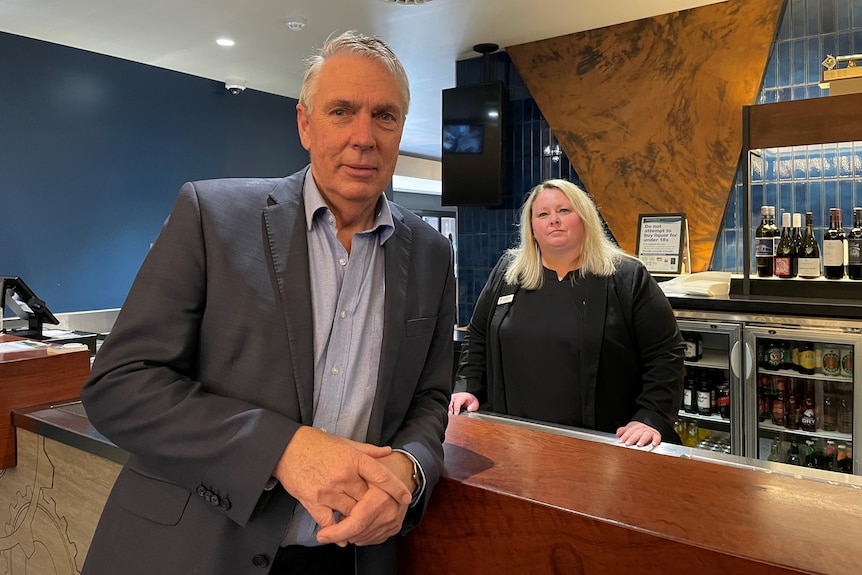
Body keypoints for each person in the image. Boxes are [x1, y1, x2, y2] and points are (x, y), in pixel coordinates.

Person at [80, 30, 455, 575]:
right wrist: (280, 449)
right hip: (196, 550)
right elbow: (120, 385)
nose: (363, 137)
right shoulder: (212, 216)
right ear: (305, 123)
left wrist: (411, 468)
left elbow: (430, 397)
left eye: (385, 116)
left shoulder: (430, 253)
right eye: (341, 111)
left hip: (349, 557)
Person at [449, 179, 683, 447]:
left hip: (601, 441)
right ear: (532, 228)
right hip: (515, 437)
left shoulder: (627, 276)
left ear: (585, 219)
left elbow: (665, 353)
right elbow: (478, 336)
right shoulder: (508, 273)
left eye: (564, 211)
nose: (554, 220)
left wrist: (651, 416)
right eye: (543, 214)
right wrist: (468, 386)